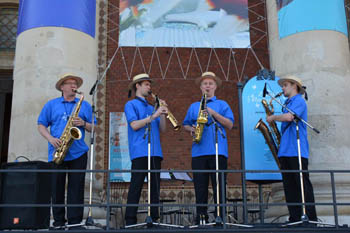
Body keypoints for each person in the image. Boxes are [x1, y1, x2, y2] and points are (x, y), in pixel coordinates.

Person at [37, 74, 95, 230]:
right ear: (62, 87)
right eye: (70, 83)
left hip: (78, 152)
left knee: (76, 188)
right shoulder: (51, 105)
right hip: (57, 151)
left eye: (75, 84)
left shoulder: (85, 105)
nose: (74, 86)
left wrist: (83, 123)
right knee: (56, 188)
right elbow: (41, 125)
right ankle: (58, 223)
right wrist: (50, 139)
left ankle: (75, 222)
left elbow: (94, 127)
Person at [183, 71, 234, 224]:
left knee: (219, 185)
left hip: (218, 151)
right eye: (205, 83)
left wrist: (213, 113)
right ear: (201, 87)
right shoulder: (194, 106)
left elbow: (230, 124)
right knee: (200, 187)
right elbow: (185, 124)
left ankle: (220, 217)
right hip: (198, 151)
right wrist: (191, 129)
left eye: (210, 83)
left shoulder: (222, 104)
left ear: (215, 87)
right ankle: (201, 218)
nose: (208, 86)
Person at [266, 75, 317, 223]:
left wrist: (273, 118)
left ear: (294, 86)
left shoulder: (299, 101)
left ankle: (310, 218)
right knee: (289, 187)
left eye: (285, 85)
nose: (282, 88)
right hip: (285, 151)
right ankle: (294, 217)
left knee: (302, 184)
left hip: (297, 150)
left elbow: (290, 117)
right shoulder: (286, 103)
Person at [124, 73, 168, 226]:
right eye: (146, 85)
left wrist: (162, 113)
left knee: (155, 188)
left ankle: (154, 220)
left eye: (150, 85)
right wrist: (154, 115)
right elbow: (134, 125)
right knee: (136, 186)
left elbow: (163, 129)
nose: (149, 87)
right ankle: (130, 221)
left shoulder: (151, 107)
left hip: (156, 152)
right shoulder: (131, 105)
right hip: (139, 151)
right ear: (138, 86)